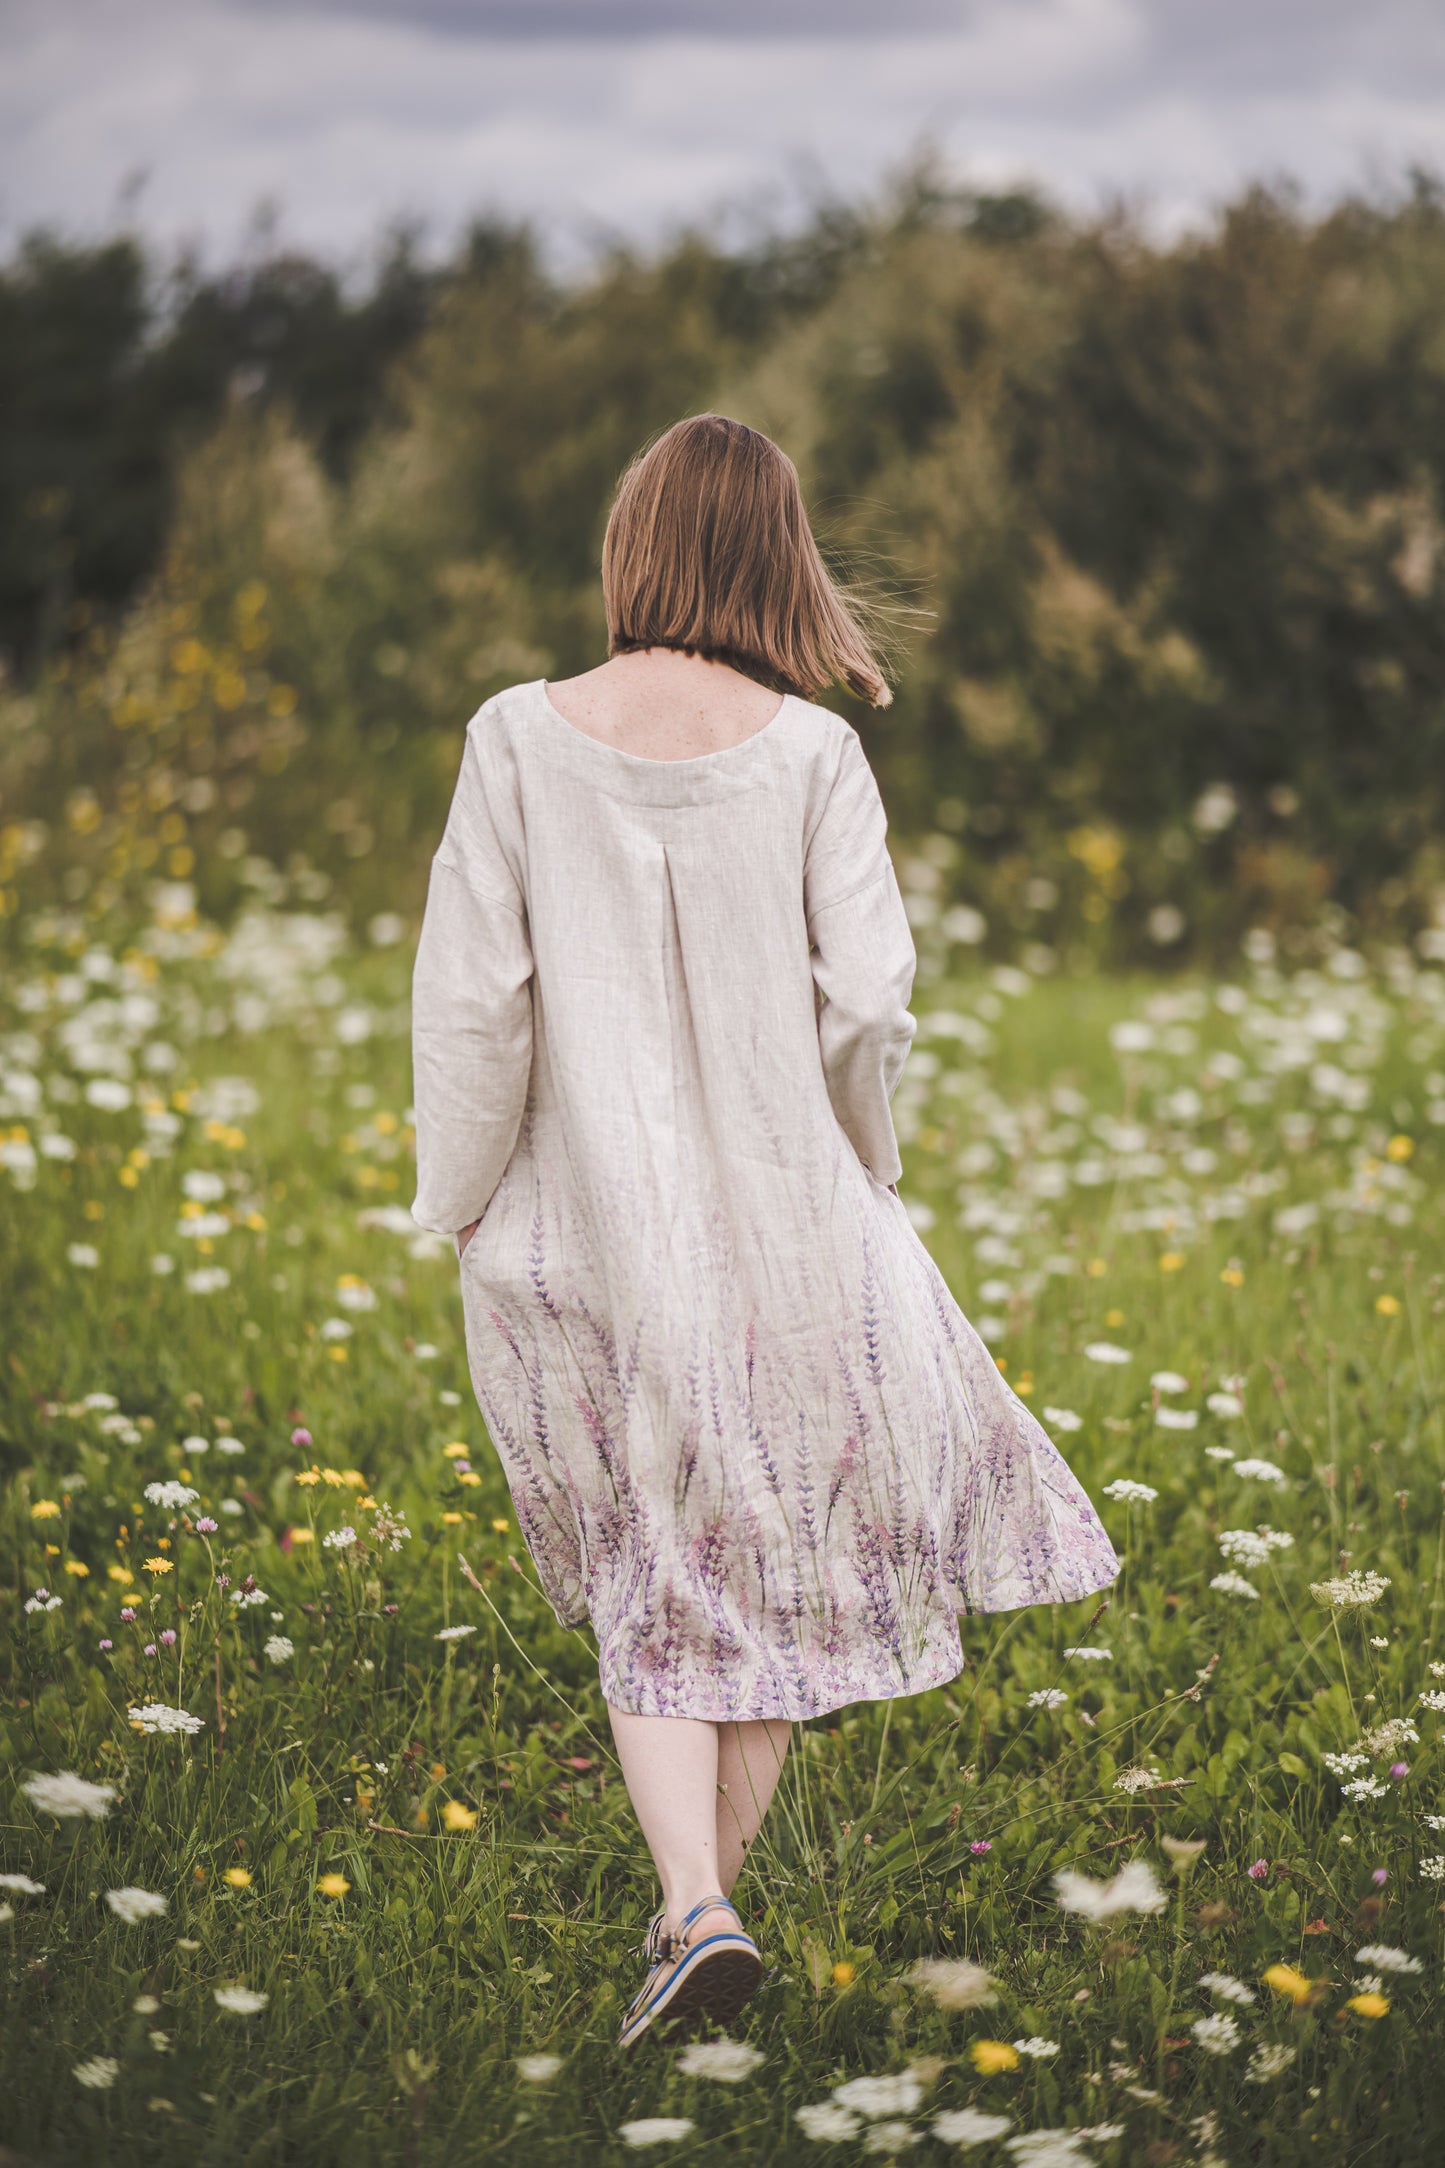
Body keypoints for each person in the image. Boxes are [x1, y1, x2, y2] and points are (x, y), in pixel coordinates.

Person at [409, 413, 1120, 2050]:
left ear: (633, 544)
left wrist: (461, 1196)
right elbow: (869, 1003)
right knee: (765, 1554)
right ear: (780, 559)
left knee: (654, 1557)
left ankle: (691, 1922)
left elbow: (473, 1003)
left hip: (585, 1225)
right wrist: (861, 1163)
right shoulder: (811, 755)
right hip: (788, 1229)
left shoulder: (515, 735)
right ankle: (695, 1916)